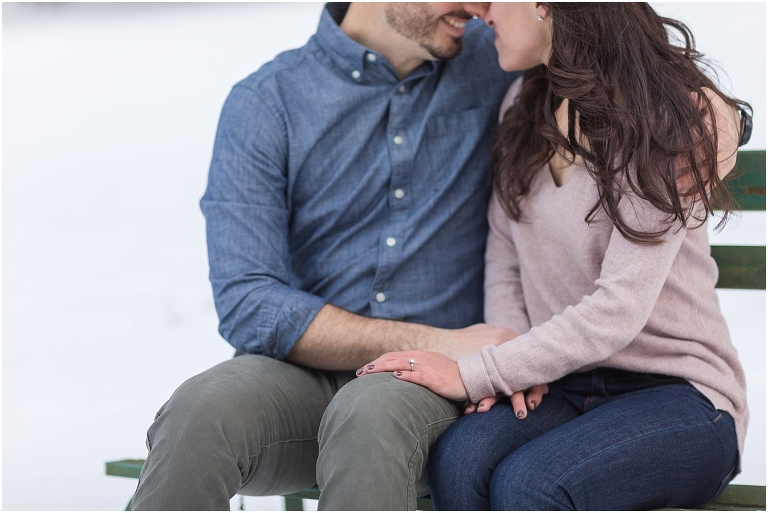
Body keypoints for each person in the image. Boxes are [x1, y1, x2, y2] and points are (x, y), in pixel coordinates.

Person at [130, 3, 529, 510]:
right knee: (200, 410)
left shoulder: (497, 56)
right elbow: (247, 299)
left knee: (369, 414)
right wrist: (435, 341)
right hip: (307, 373)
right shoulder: (267, 102)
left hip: (434, 383)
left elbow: (594, 41)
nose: (477, 5)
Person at [358, 2, 751, 510]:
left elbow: (617, 311)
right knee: (459, 460)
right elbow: (504, 257)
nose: (481, 12)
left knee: (530, 485)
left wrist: (475, 373)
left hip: (680, 393)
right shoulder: (524, 107)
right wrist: (515, 370)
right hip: (564, 383)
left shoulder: (661, 122)